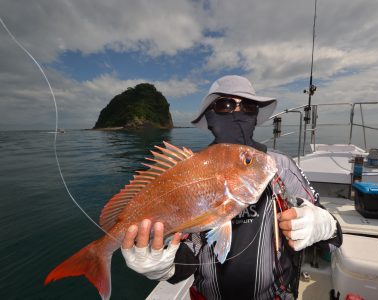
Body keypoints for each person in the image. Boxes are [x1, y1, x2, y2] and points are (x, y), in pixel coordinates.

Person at [121, 75, 342, 299]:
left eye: (247, 106)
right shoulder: (190, 171)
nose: (237, 113)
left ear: (255, 115)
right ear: (210, 116)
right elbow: (189, 256)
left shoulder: (280, 166)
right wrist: (164, 267)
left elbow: (333, 240)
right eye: (225, 105)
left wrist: (325, 225)